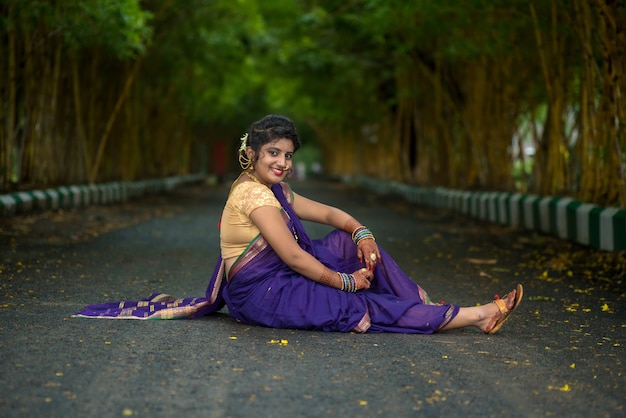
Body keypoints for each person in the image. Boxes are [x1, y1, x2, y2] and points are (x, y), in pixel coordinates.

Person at [74, 114, 523, 334]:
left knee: (355, 244)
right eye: (273, 153)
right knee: (356, 309)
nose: (282, 162)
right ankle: (476, 315)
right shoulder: (252, 194)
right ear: (252, 154)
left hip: (288, 275)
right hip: (265, 293)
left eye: (288, 156)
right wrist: (345, 283)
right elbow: (290, 256)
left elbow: (329, 215)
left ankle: (414, 302)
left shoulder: (277, 190)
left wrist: (362, 231)